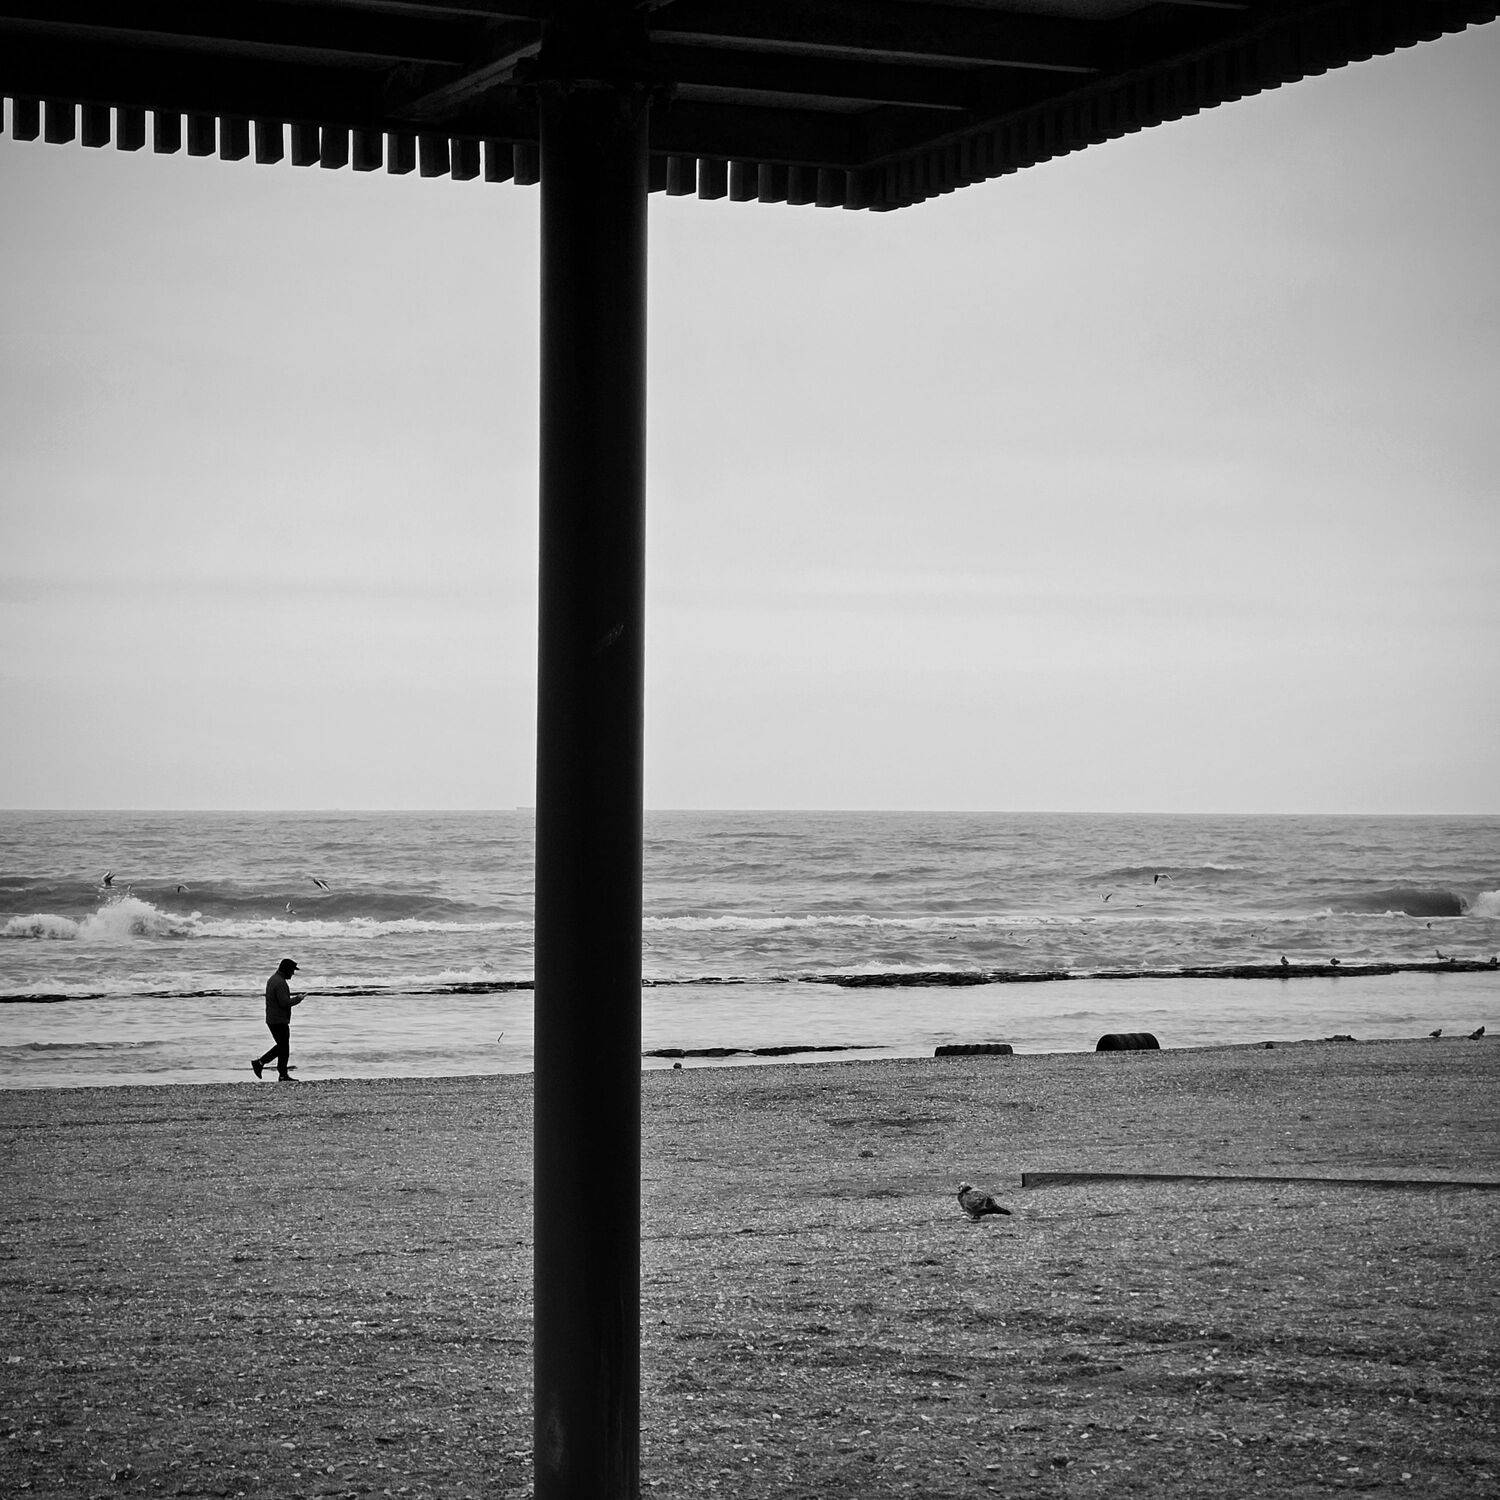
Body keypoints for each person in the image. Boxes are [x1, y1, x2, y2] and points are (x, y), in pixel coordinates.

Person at [252, 958, 305, 1082]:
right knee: (283, 1047)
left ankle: (280, 1074)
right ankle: (261, 1063)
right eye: (292, 970)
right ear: (286, 969)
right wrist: (298, 999)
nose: (293, 973)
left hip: (274, 1018)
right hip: (278, 1019)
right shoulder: (280, 982)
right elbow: (284, 1003)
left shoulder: (274, 979)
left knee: (283, 1047)